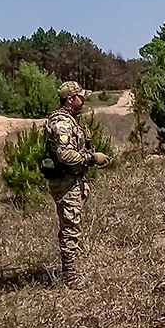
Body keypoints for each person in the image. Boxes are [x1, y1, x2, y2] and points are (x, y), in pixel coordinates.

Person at [42, 81, 110, 289]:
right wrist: (92, 158)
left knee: (72, 224)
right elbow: (64, 155)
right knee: (70, 226)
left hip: (72, 180)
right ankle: (69, 276)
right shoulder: (62, 122)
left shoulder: (71, 120)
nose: (84, 99)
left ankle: (70, 268)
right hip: (64, 181)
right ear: (70, 99)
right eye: (81, 96)